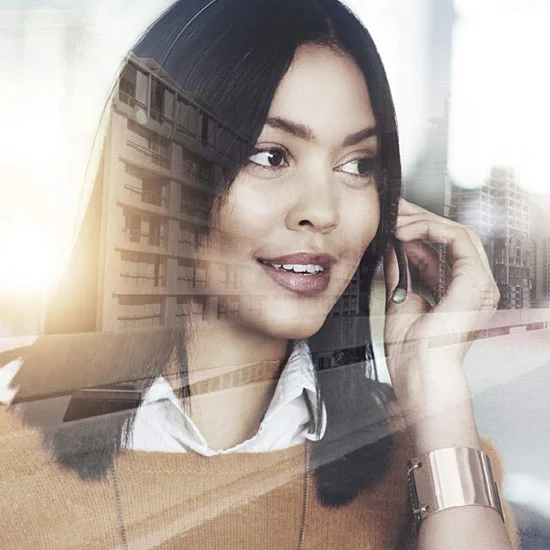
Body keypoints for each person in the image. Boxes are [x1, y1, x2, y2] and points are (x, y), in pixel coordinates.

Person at [0, 0, 518, 548]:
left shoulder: (440, 458)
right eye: (270, 156)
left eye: (357, 165)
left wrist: (434, 386)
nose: (323, 211)